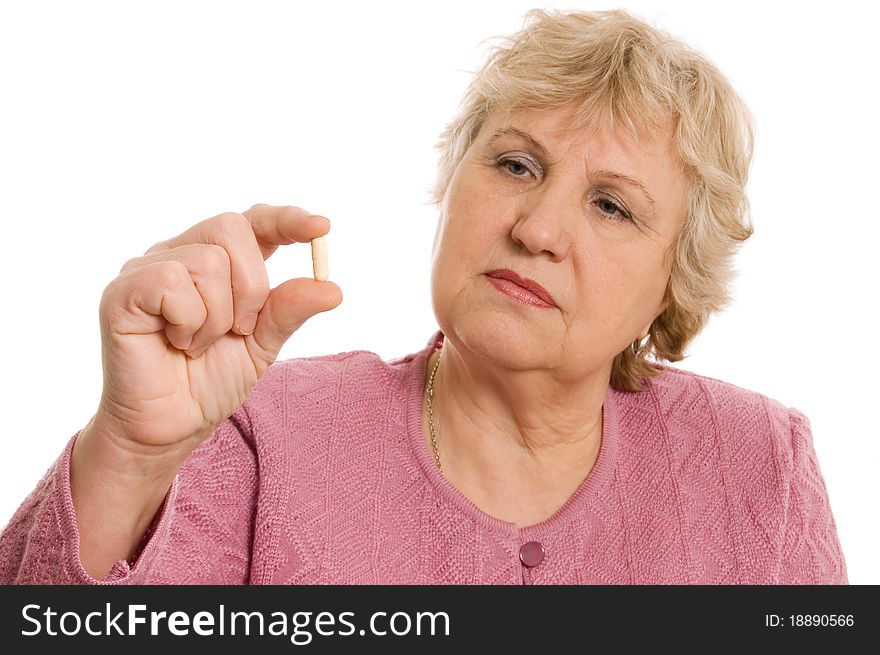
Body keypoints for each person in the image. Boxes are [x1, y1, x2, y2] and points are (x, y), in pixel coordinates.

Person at [0, 8, 846, 585]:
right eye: (515, 164)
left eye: (612, 205)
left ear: (675, 282)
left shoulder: (761, 464)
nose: (538, 227)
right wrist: (130, 452)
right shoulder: (264, 428)